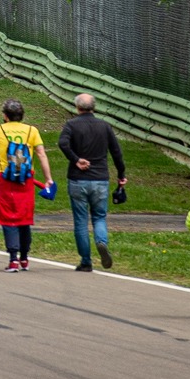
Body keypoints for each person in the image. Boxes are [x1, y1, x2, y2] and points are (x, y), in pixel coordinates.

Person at [0, 99, 53, 272]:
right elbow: (41, 154)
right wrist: (48, 179)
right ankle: (24, 258)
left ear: (5, 116)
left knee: (8, 217)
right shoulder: (32, 131)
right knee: (25, 217)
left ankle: (13, 259)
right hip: (26, 179)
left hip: (7, 178)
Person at [58, 92, 127, 273]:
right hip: (100, 179)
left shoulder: (71, 125)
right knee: (99, 217)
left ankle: (86, 261)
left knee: (80, 221)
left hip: (77, 179)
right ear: (94, 107)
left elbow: (63, 143)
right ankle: (101, 242)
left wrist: (75, 159)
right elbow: (116, 152)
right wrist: (121, 174)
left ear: (77, 107)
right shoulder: (104, 126)